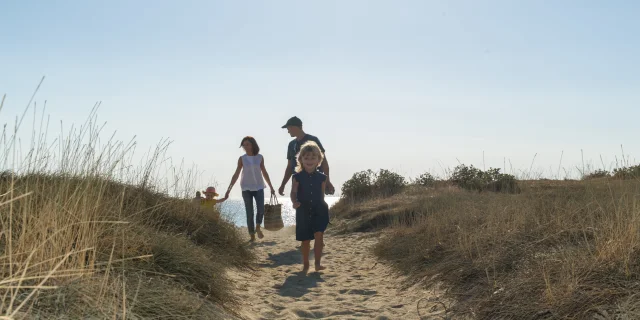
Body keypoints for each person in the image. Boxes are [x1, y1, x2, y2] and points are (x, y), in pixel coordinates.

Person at [225, 136, 276, 242]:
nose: (245, 146)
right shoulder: (242, 159)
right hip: (246, 188)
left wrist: (271, 186)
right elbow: (236, 174)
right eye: (244, 145)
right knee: (249, 212)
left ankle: (258, 226)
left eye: (247, 144)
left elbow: (264, 172)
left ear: (252, 144)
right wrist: (229, 189)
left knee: (261, 209)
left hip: (259, 187)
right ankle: (252, 235)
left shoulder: (260, 157)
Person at [290, 140, 329, 273]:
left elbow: (322, 195)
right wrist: (294, 202)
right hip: (303, 210)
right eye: (306, 157)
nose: (310, 160)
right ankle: (306, 264)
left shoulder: (322, 178)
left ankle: (317, 264)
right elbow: (293, 192)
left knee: (319, 235)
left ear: (319, 160)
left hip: (320, 210)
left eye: (313, 157)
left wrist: (323, 207)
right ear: (301, 159)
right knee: (305, 240)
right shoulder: (297, 177)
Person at [278, 116, 334, 197]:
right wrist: (283, 185)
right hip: (297, 183)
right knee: (300, 207)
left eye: (288, 128)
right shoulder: (291, 145)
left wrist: (327, 181)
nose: (288, 131)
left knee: (316, 206)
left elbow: (324, 162)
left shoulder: (313, 140)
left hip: (315, 180)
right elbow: (289, 167)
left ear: (295, 127)